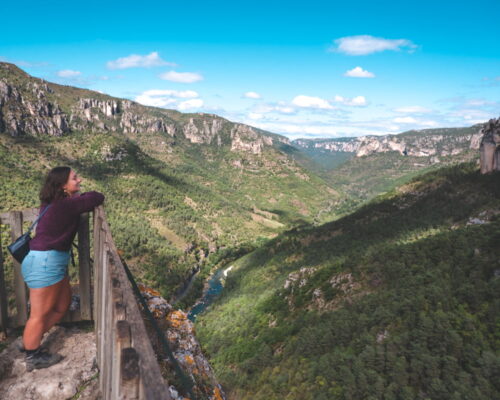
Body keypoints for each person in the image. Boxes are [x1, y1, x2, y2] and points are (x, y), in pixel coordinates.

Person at [21, 166, 104, 371]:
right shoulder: (66, 206)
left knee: (62, 306)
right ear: (63, 186)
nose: (79, 180)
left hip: (48, 262)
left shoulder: (52, 204)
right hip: (45, 263)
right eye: (75, 178)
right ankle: (32, 356)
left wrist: (77, 194)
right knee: (39, 314)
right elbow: (97, 197)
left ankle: (30, 341)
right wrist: (82, 195)